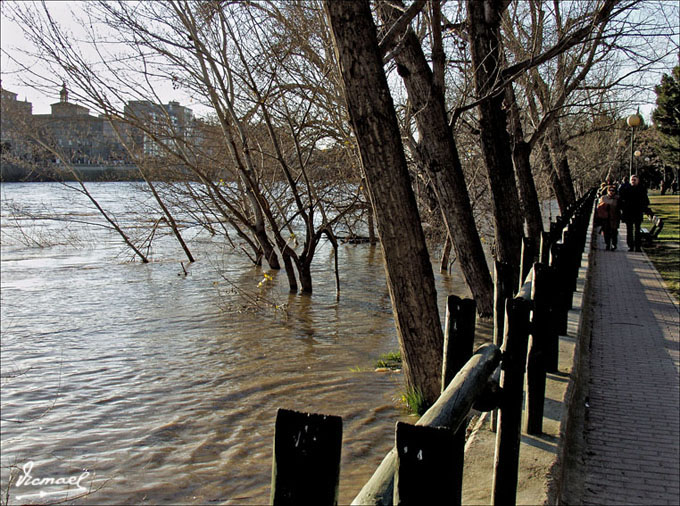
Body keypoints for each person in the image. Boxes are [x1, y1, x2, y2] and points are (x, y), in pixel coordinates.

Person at [619, 174, 650, 252]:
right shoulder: (625, 188)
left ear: (638, 181)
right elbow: (621, 200)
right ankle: (630, 246)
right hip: (628, 213)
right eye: (632, 179)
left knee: (637, 230)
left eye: (635, 179)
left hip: (637, 212)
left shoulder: (641, 189)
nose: (633, 181)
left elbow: (645, 201)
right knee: (629, 230)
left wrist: (645, 210)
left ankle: (638, 246)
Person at [596, 186, 621, 250]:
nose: (611, 192)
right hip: (605, 218)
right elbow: (599, 206)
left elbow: (620, 208)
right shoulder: (603, 198)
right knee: (606, 232)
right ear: (608, 191)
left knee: (614, 232)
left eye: (613, 190)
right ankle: (607, 244)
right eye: (610, 190)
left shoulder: (617, 199)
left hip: (614, 217)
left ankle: (614, 244)